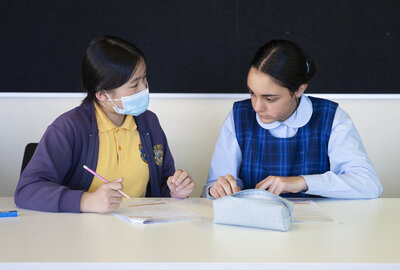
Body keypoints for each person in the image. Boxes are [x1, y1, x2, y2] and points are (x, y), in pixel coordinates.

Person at [15, 35, 195, 213]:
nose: (144, 88)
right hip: (79, 234)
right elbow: (27, 190)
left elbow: (161, 186)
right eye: (134, 85)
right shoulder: (68, 128)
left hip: (140, 233)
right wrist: (86, 201)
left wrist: (174, 191)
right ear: (102, 94)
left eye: (144, 78)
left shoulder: (149, 123)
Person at [202, 39, 382, 199]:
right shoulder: (238, 115)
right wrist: (215, 190)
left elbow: (369, 185)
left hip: (319, 232)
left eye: (270, 98)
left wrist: (302, 182)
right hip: (254, 230)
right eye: (252, 93)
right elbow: (211, 187)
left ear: (299, 90)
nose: (257, 107)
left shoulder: (332, 117)